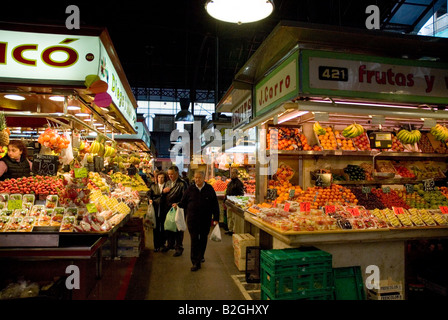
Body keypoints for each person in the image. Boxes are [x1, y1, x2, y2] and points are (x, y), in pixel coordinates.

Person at [174, 170, 220, 271]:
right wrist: (177, 205)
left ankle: (201, 256)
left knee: (203, 239)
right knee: (194, 240)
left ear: (203, 178)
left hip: (205, 220)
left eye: (199, 177)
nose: (197, 180)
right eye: (196, 177)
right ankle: (195, 262)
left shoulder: (209, 189)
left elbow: (215, 205)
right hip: (192, 220)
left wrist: (216, 218)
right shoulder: (190, 189)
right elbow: (183, 202)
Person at [162, 165, 188, 256]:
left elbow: (185, 197)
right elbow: (163, 196)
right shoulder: (167, 183)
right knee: (169, 227)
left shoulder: (182, 184)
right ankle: (170, 244)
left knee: (178, 228)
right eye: (169, 174)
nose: (170, 176)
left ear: (177, 173)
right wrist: (163, 192)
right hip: (168, 209)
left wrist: (178, 204)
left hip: (178, 209)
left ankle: (179, 247)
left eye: (172, 174)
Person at [147, 171, 168, 252]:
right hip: (155, 208)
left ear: (165, 178)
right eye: (159, 177)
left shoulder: (167, 186)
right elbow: (149, 194)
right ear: (156, 178)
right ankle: (156, 245)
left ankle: (163, 244)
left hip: (164, 209)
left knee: (163, 227)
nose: (160, 179)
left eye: (162, 177)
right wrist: (150, 200)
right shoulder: (153, 186)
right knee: (155, 227)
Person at [224, 168, 245, 235]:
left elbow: (241, 194)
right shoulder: (230, 183)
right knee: (229, 216)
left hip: (234, 202)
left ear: (236, 174)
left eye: (233, 173)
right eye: (231, 173)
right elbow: (227, 191)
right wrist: (225, 200)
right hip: (229, 202)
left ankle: (233, 230)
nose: (232, 174)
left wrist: (237, 201)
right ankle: (230, 229)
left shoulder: (239, 183)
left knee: (233, 217)